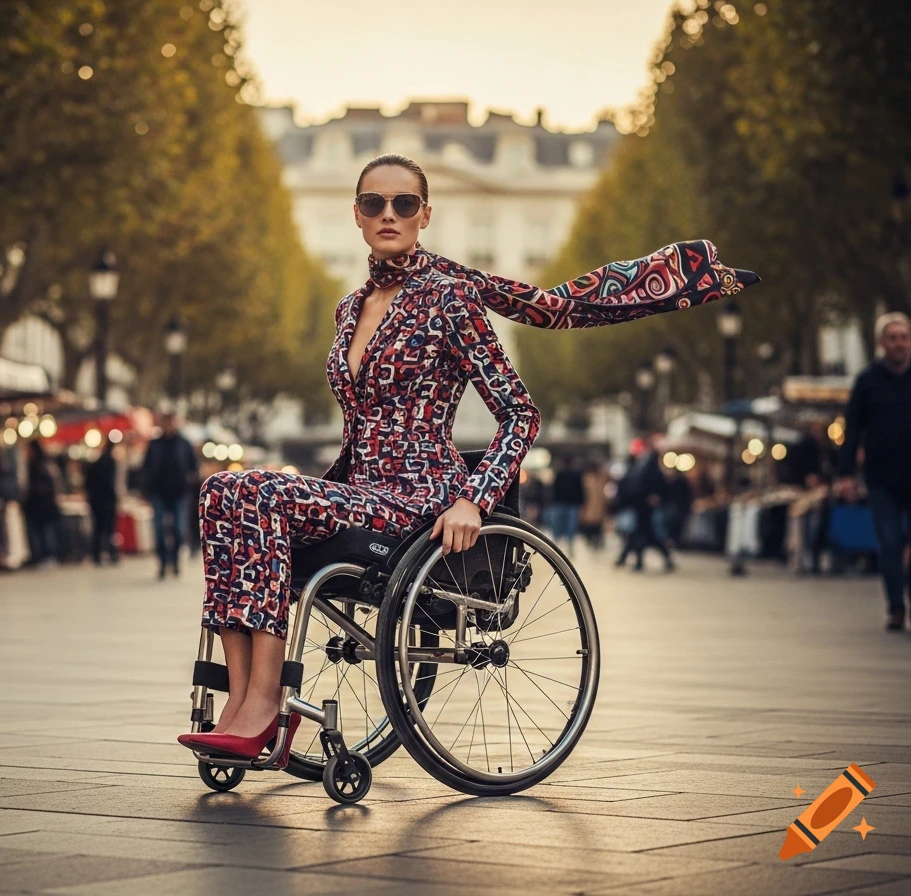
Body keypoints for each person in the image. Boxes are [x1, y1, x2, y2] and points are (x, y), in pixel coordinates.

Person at [177, 153, 758, 759]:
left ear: (425, 214)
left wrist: (473, 499)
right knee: (223, 490)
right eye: (374, 203)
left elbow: (520, 413)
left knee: (258, 491)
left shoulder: (449, 299)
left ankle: (264, 704)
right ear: (356, 214)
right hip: (359, 493)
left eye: (404, 203)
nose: (389, 214)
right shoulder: (348, 310)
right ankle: (243, 702)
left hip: (417, 500)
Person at [836, 312, 911, 631]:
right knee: (890, 543)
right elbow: (851, 430)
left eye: (904, 337)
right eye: (892, 338)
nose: (899, 343)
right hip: (881, 477)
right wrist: (846, 474)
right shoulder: (867, 381)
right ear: (881, 343)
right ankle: (896, 606)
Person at [141, 409, 198, 578]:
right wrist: (145, 488)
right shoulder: (154, 444)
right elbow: (146, 468)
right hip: (158, 492)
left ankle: (175, 561)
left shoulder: (184, 444)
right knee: (159, 529)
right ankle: (163, 562)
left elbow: (193, 468)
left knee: (179, 530)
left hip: (179, 493)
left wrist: (190, 483)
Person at [615, 434, 676, 572]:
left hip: (644, 503)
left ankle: (634, 560)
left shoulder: (651, 462)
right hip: (639, 503)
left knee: (643, 533)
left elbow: (655, 482)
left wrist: (654, 495)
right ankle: (635, 560)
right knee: (642, 533)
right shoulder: (641, 462)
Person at [23, 441, 61, 565]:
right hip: (43, 505)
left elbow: (44, 487)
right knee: (44, 531)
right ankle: (46, 556)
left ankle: (48, 555)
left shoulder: (38, 466)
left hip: (41, 505)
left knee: (44, 532)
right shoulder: (46, 465)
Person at [84, 443, 119, 565]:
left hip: (96, 501)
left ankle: (97, 555)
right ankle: (112, 553)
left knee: (98, 529)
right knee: (109, 529)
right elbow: (110, 483)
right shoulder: (110, 462)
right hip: (106, 500)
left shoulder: (97, 462)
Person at [546, 458, 585, 551]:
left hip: (561, 503)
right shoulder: (576, 475)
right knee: (569, 525)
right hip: (570, 503)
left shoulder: (560, 474)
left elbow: (554, 489)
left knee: (560, 524)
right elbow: (580, 490)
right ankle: (568, 545)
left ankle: (558, 543)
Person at [580, 461, 610, 550]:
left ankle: (596, 541)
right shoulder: (587, 478)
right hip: (590, 506)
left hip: (598, 507)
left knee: (597, 526)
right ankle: (592, 541)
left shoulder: (601, 478)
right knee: (590, 526)